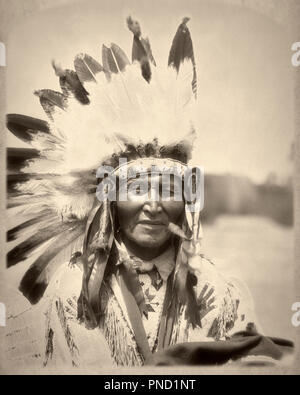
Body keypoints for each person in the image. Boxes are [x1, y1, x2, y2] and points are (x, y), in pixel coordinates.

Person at [5, 17, 292, 370]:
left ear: (188, 196)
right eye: (137, 188)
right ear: (108, 198)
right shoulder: (69, 295)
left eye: (169, 188)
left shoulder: (223, 292)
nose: (153, 205)